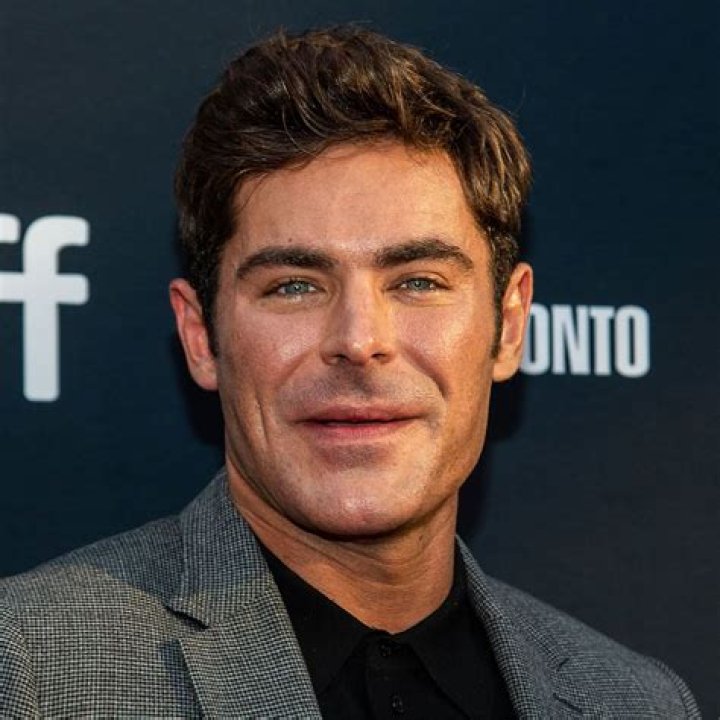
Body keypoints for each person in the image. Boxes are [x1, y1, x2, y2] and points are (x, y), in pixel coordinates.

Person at [0, 26, 700, 719]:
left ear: (509, 325)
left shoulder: (634, 701)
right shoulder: (35, 669)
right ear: (201, 336)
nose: (360, 341)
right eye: (294, 286)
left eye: (418, 282)